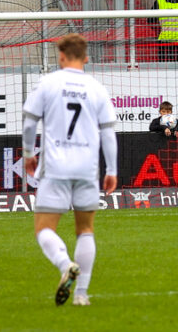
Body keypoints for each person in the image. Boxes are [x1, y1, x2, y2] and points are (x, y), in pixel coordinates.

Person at [22, 33, 117, 307]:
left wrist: (29, 153)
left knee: (44, 228)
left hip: (56, 166)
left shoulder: (49, 83)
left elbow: (29, 122)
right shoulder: (96, 87)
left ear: (61, 57)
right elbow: (108, 132)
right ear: (86, 57)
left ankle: (65, 264)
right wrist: (111, 169)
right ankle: (81, 295)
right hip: (87, 167)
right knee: (85, 229)